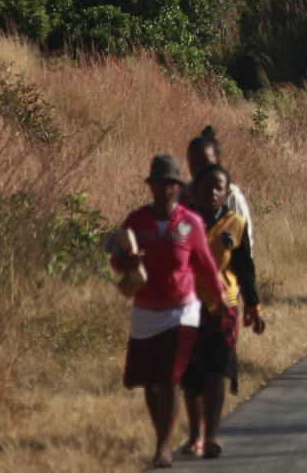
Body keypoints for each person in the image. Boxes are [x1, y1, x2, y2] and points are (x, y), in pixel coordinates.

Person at [112, 154, 227, 469]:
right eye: (159, 184)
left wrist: (219, 299)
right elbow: (116, 261)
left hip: (182, 311)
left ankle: (163, 447)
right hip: (146, 311)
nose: (165, 190)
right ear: (150, 186)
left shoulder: (190, 224)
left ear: (179, 187)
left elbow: (205, 264)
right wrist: (127, 262)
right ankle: (163, 431)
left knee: (172, 376)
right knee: (150, 382)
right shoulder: (136, 222)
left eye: (171, 185)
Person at [182, 163, 266, 459]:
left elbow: (245, 268)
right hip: (189, 304)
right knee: (191, 374)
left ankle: (210, 435)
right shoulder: (184, 222)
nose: (213, 192)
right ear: (196, 190)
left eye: (219, 188)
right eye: (207, 187)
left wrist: (253, 307)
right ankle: (194, 434)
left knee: (217, 369)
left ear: (225, 193)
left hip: (224, 305)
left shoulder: (235, 224)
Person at [187, 127, 254, 254]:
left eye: (204, 163)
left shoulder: (231, 196)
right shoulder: (184, 194)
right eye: (194, 165)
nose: (199, 170)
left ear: (217, 162)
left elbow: (245, 240)